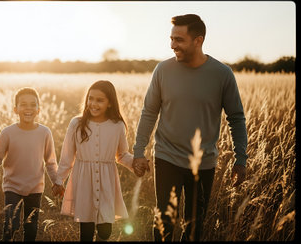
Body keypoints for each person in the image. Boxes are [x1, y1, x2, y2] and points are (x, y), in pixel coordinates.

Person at [131, 14, 248, 241]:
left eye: (179, 40)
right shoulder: (163, 70)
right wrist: (139, 151)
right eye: (171, 39)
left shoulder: (222, 74)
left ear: (198, 40)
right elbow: (149, 112)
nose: (172, 45)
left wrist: (240, 158)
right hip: (166, 158)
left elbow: (236, 118)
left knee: (194, 228)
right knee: (164, 223)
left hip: (203, 163)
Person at [52, 80, 135, 241]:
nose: (93, 103)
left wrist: (136, 163)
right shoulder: (76, 123)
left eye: (99, 100)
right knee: (86, 230)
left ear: (110, 103)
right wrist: (58, 180)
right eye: (90, 98)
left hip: (107, 181)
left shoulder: (117, 125)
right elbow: (67, 156)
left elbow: (122, 155)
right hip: (83, 180)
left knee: (105, 231)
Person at [0, 87, 59, 241]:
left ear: (38, 109)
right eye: (23, 104)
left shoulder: (45, 133)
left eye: (32, 105)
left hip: (35, 187)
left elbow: (50, 161)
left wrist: (57, 181)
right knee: (11, 224)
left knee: (31, 226)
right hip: (12, 186)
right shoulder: (7, 133)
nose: (28, 108)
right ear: (15, 109)